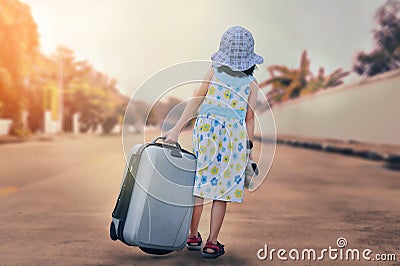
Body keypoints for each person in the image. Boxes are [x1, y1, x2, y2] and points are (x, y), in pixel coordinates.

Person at [163, 26, 263, 259]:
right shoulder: (252, 83)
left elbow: (196, 101)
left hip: (207, 133)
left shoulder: (214, 72)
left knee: (200, 184)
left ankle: (192, 235)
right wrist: (248, 151)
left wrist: (177, 129)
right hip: (234, 138)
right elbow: (249, 118)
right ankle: (212, 242)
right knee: (222, 192)